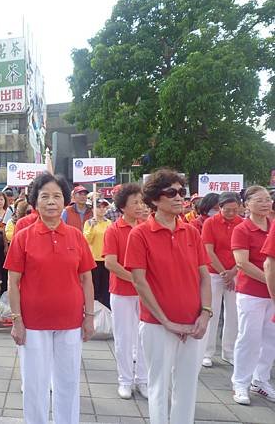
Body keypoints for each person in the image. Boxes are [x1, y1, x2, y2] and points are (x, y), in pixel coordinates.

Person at [5, 173, 95, 424]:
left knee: (68, 382)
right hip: (33, 324)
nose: (51, 201)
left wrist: (89, 318)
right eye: (45, 196)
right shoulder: (23, 236)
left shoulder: (76, 236)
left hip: (70, 322)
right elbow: (13, 282)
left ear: (65, 200)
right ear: (35, 202)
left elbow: (87, 280)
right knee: (35, 384)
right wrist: (16, 320)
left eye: (57, 196)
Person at [125, 169, 211, 424]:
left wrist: (205, 313)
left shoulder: (192, 232)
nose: (179, 198)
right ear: (154, 199)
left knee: (187, 387)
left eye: (181, 192)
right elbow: (140, 282)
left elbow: (204, 277)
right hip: (157, 325)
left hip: (194, 322)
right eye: (171, 192)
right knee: (159, 386)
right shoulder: (139, 234)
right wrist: (166, 321)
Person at [230, 185, 275, 404]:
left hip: (272, 294)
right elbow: (242, 263)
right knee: (249, 337)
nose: (266, 203)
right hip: (251, 293)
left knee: (270, 339)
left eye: (268, 199)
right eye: (260, 200)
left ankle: (261, 380)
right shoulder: (242, 229)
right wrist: (269, 281)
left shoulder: (273, 226)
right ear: (246, 204)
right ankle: (240, 383)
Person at [102, 183, 148, 400]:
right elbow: (111, 263)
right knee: (124, 337)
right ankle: (125, 381)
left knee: (144, 337)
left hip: (145, 293)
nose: (140, 206)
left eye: (141, 202)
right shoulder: (113, 229)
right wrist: (136, 280)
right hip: (122, 291)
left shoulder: (147, 227)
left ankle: (143, 380)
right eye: (135, 203)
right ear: (122, 207)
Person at [200, 192, 243, 368]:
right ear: (220, 207)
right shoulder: (210, 223)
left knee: (233, 314)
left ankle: (229, 351)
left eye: (235, 209)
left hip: (237, 271)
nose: (231, 213)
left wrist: (233, 272)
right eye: (227, 210)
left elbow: (244, 252)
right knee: (212, 312)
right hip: (214, 273)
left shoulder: (242, 224)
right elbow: (208, 250)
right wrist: (224, 273)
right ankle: (207, 352)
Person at [83, 198, 112, 308]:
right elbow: (86, 240)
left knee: (105, 288)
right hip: (94, 259)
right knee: (95, 287)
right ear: (93, 209)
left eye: (104, 206)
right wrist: (91, 227)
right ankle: (94, 310)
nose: (102, 209)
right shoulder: (89, 223)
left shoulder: (109, 223)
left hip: (106, 259)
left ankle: (106, 311)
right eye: (99, 207)